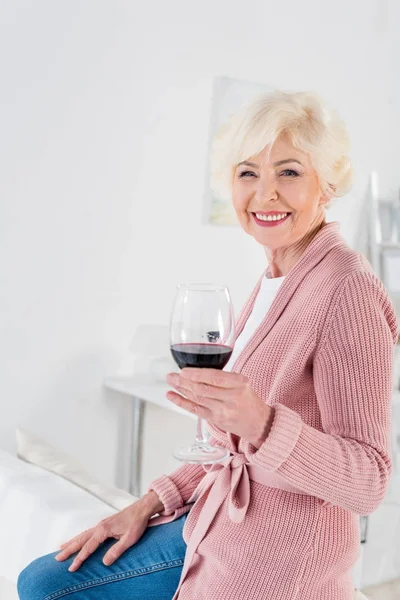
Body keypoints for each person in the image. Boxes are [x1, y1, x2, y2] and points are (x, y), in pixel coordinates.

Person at [17, 91, 398, 600]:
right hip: (216, 521)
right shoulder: (276, 277)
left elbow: (367, 480)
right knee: (42, 581)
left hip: (276, 560)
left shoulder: (346, 287)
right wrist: (148, 503)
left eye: (288, 173)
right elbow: (228, 446)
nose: (265, 194)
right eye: (247, 174)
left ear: (326, 185)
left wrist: (262, 424)